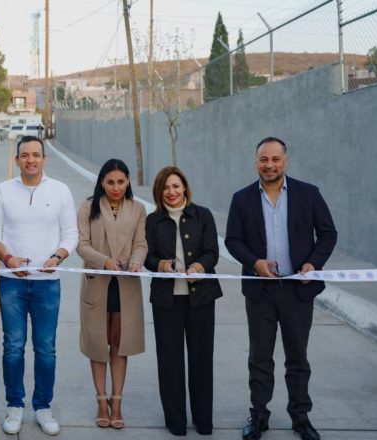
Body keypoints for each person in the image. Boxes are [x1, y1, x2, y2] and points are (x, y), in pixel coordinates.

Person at [225, 137, 337, 440]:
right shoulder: (242, 198)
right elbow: (232, 240)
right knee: (260, 357)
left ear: (285, 161)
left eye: (275, 159)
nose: (270, 165)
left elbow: (327, 234)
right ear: (256, 161)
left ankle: (300, 418)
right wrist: (254, 262)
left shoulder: (308, 194)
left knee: (297, 357)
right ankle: (259, 416)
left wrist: (313, 264)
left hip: (297, 291)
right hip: (260, 292)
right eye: (264, 159)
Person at [0, 135, 78, 436]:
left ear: (44, 158)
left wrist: (57, 256)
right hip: (11, 283)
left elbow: (70, 234)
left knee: (46, 349)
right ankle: (14, 406)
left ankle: (42, 407)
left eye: (36, 154)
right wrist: (8, 259)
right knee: (13, 347)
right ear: (17, 160)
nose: (30, 160)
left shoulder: (60, 191)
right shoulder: (2, 190)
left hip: (47, 283)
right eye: (24, 155)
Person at [144, 166, 223, 436]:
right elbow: (147, 257)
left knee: (201, 360)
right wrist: (161, 264)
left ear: (185, 188)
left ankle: (203, 421)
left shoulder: (203, 215)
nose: (171, 192)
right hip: (167, 301)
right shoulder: (153, 221)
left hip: (201, 299)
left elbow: (212, 252)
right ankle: (175, 422)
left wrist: (201, 266)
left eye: (176, 186)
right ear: (159, 192)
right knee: (170, 362)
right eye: (166, 188)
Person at [75, 159, 147, 430]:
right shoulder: (87, 208)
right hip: (97, 282)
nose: (116, 187)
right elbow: (81, 245)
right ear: (101, 182)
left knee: (119, 343)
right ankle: (101, 401)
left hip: (125, 286)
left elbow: (141, 243)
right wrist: (104, 261)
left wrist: (137, 260)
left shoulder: (137, 209)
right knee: (98, 344)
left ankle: (117, 402)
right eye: (110, 182)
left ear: (128, 181)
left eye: (121, 181)